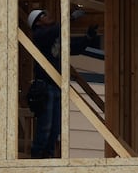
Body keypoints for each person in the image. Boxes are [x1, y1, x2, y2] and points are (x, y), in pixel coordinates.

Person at [27, 8, 98, 159]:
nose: (49, 15)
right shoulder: (39, 36)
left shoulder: (54, 36)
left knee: (54, 132)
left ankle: (49, 162)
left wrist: (88, 37)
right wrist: (70, 19)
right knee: (44, 130)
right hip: (45, 88)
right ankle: (37, 162)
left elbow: (74, 48)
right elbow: (54, 31)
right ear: (38, 22)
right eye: (44, 15)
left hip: (57, 87)